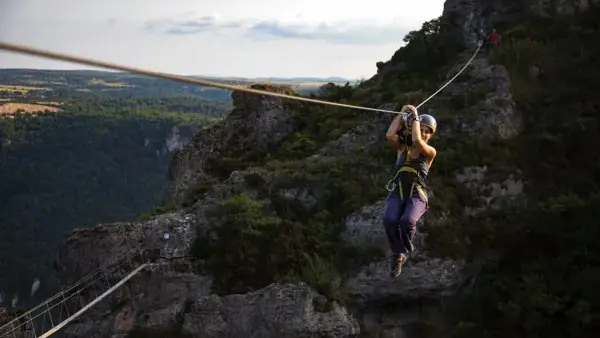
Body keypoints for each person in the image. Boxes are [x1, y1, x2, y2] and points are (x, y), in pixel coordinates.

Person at [383, 104, 437, 278]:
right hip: (399, 189)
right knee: (390, 220)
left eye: (426, 131)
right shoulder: (402, 149)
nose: (422, 132)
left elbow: (416, 141)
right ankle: (397, 254)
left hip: (417, 192)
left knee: (407, 221)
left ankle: (404, 251)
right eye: (420, 129)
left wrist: (414, 117)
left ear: (430, 135)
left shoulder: (429, 152)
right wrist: (401, 113)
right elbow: (390, 135)